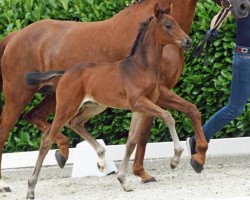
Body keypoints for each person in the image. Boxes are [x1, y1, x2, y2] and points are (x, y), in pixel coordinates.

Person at [187, 10, 250, 155]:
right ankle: (199, 138)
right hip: (245, 57)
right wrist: (213, 30)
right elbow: (224, 12)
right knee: (235, 108)